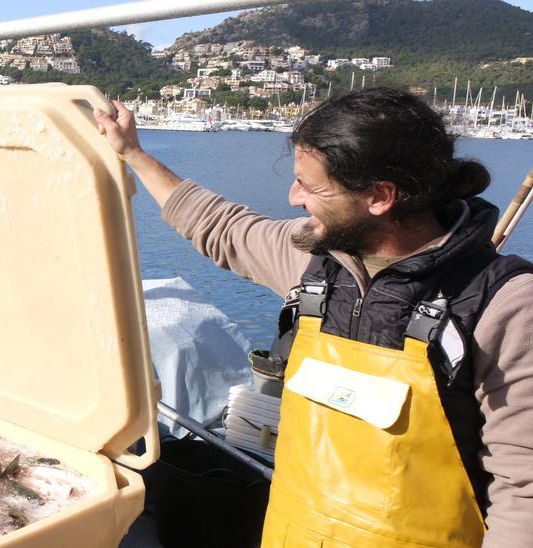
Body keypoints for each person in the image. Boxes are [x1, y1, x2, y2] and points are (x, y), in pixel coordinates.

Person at [96, 87, 533, 547]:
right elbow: (222, 228)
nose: (293, 197)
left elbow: (523, 489)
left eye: (310, 185)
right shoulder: (315, 263)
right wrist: (135, 154)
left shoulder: (503, 303)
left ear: (381, 196)